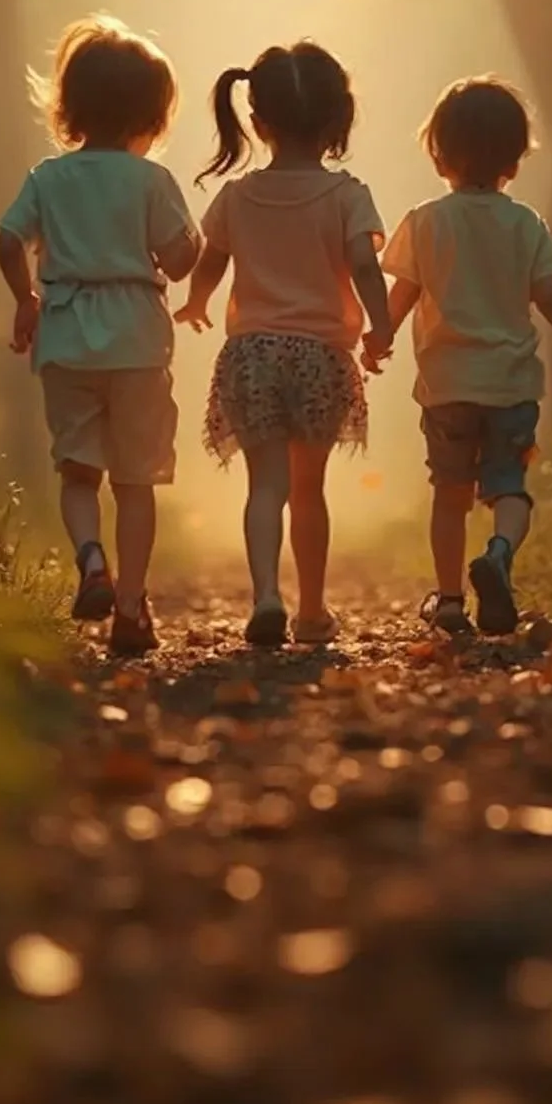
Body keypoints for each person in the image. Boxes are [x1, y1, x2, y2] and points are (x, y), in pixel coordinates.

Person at [364, 77, 552, 638]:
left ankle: (452, 600)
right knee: (510, 489)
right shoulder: (526, 224)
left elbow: (402, 297)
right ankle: (501, 551)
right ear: (515, 158)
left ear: (439, 154)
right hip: (510, 387)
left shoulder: (426, 220)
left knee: (450, 494)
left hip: (447, 386)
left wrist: (377, 339)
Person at [177, 41, 392, 649]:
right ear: (336, 123)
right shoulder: (347, 195)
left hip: (251, 357)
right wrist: (381, 325)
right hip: (322, 356)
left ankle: (267, 593)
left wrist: (196, 302)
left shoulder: (237, 196)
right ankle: (313, 611)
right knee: (309, 490)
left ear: (257, 122)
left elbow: (210, 260)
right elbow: (364, 268)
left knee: (264, 486)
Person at [0, 14, 199, 655]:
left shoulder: (47, 178)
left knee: (79, 472)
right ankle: (132, 610)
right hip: (136, 339)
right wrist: (192, 245)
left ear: (70, 105)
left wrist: (26, 298)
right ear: (153, 113)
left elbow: (6, 241)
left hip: (65, 337)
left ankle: (90, 559)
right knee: (135, 480)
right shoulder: (151, 181)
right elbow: (180, 258)